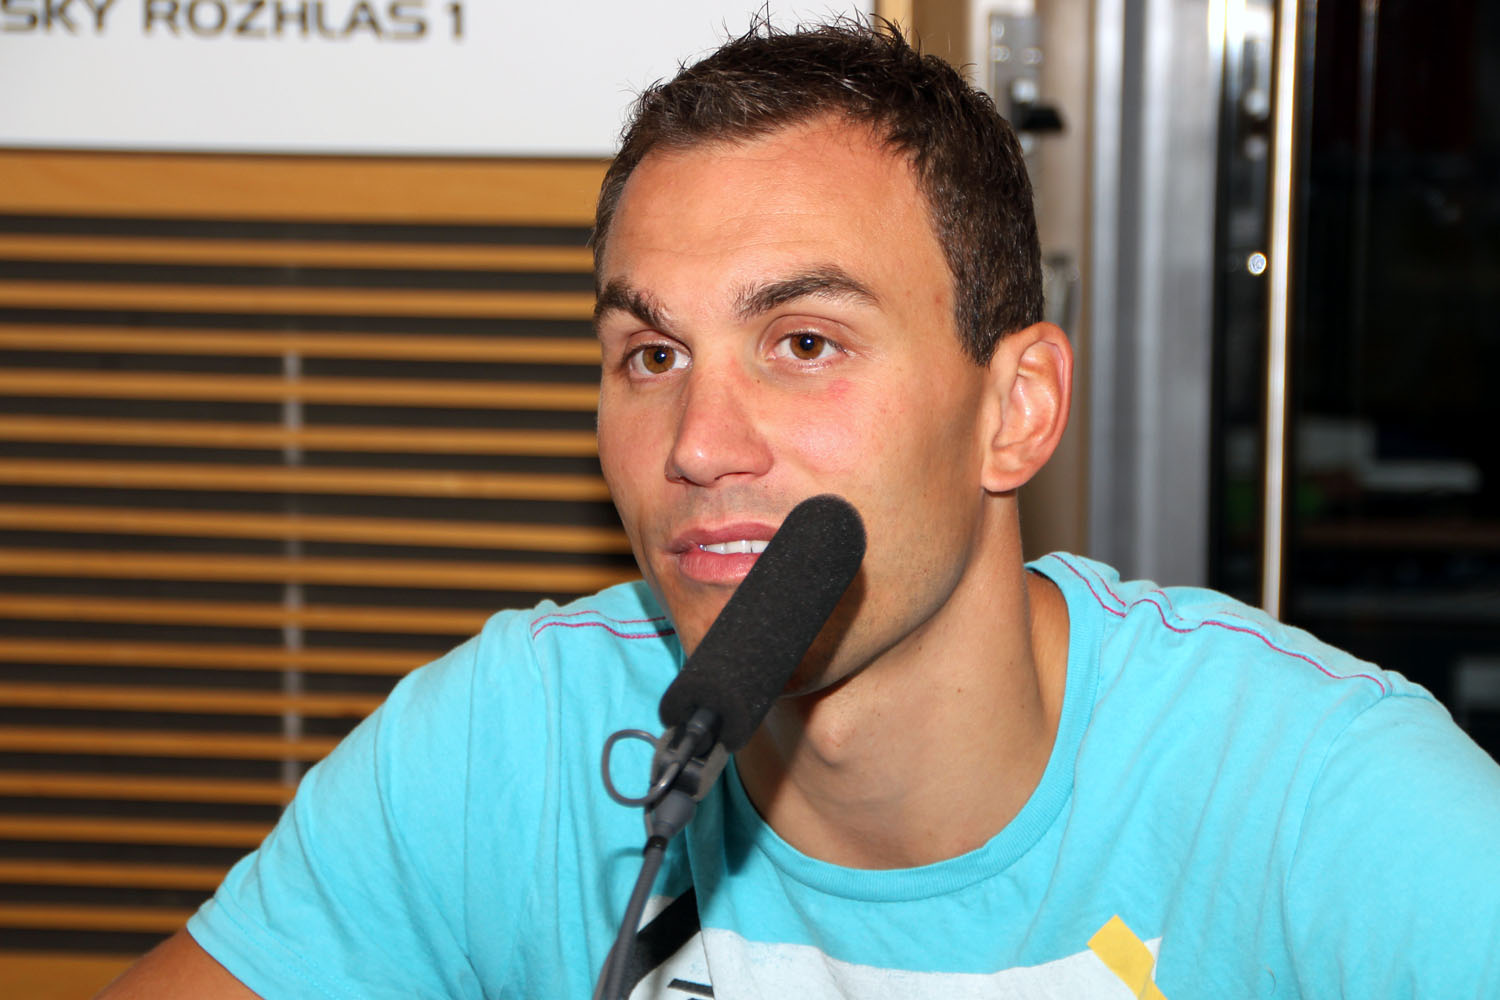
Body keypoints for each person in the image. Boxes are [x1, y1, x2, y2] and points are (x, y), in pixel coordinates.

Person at [100, 19, 1500, 999]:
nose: (699, 445)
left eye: (806, 342)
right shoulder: (505, 743)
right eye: (653, 357)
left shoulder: (1333, 807)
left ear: (1015, 408)